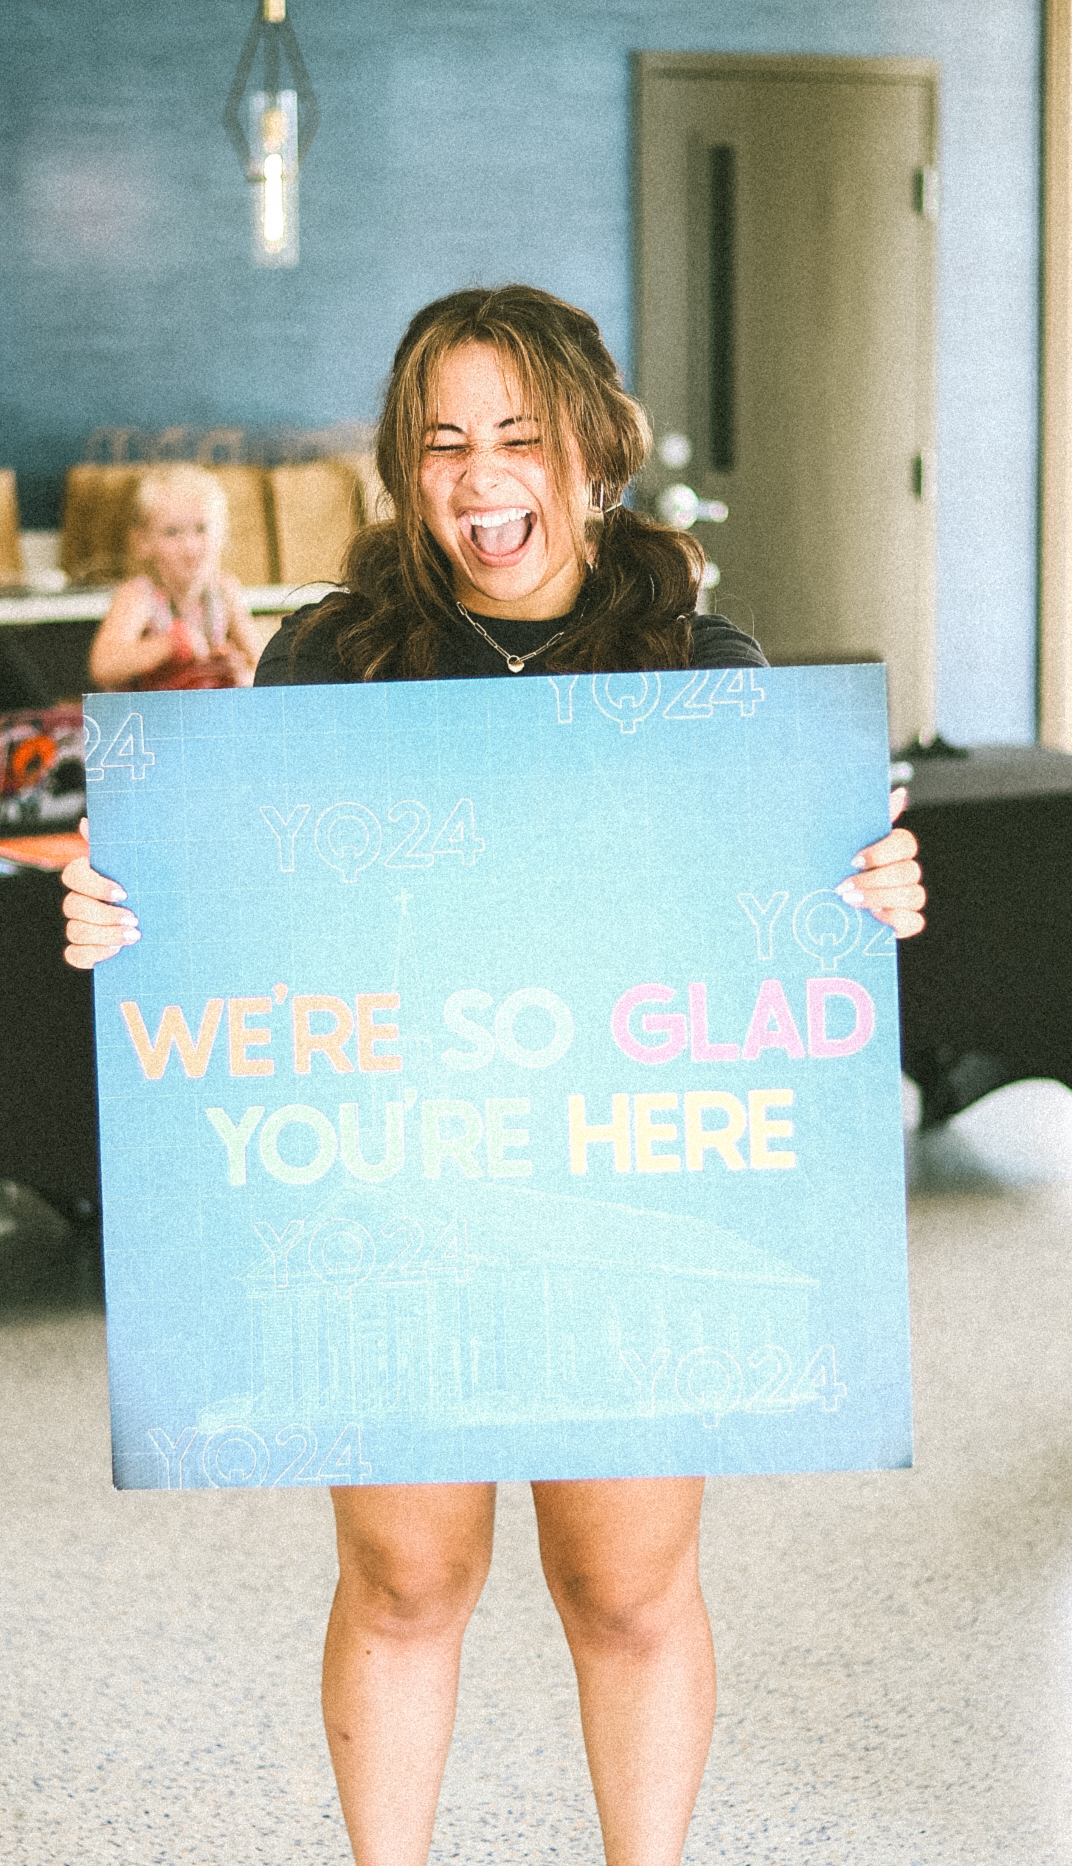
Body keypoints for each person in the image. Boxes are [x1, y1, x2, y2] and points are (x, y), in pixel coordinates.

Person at [61, 285, 925, 1866]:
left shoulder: (700, 659)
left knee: (625, 1588)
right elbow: (250, 912)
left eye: (518, 435)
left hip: (625, 1169)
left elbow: (761, 932)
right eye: (444, 442)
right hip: (399, 1168)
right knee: (406, 1581)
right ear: (408, 467)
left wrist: (861, 895)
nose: (480, 477)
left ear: (594, 450)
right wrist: (136, 917)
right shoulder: (331, 655)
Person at [88, 464, 262, 691]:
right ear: (142, 542)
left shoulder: (224, 590)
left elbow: (263, 668)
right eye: (172, 533)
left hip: (200, 712)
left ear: (223, 533)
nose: (190, 548)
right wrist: (169, 644)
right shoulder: (140, 595)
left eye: (201, 529)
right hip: (149, 713)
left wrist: (239, 674)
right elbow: (103, 666)